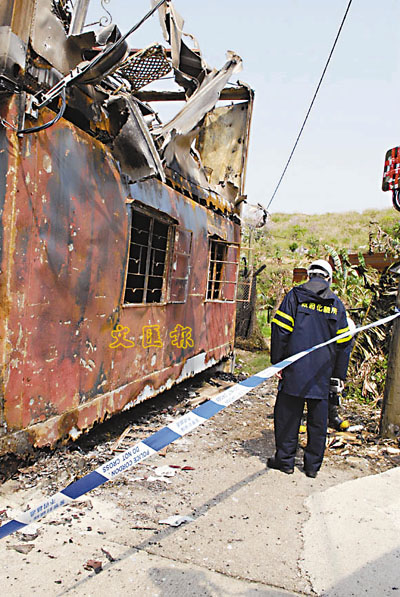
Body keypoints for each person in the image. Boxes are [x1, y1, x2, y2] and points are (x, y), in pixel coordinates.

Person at [268, 259, 352, 478]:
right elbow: (344, 343)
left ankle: (285, 462)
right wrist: (338, 375)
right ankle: (312, 467)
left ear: (308, 275)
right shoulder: (336, 303)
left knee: (287, 417)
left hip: (295, 371)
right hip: (323, 374)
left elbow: (280, 330)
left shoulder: (295, 297)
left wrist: (278, 363)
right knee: (318, 422)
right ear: (329, 278)